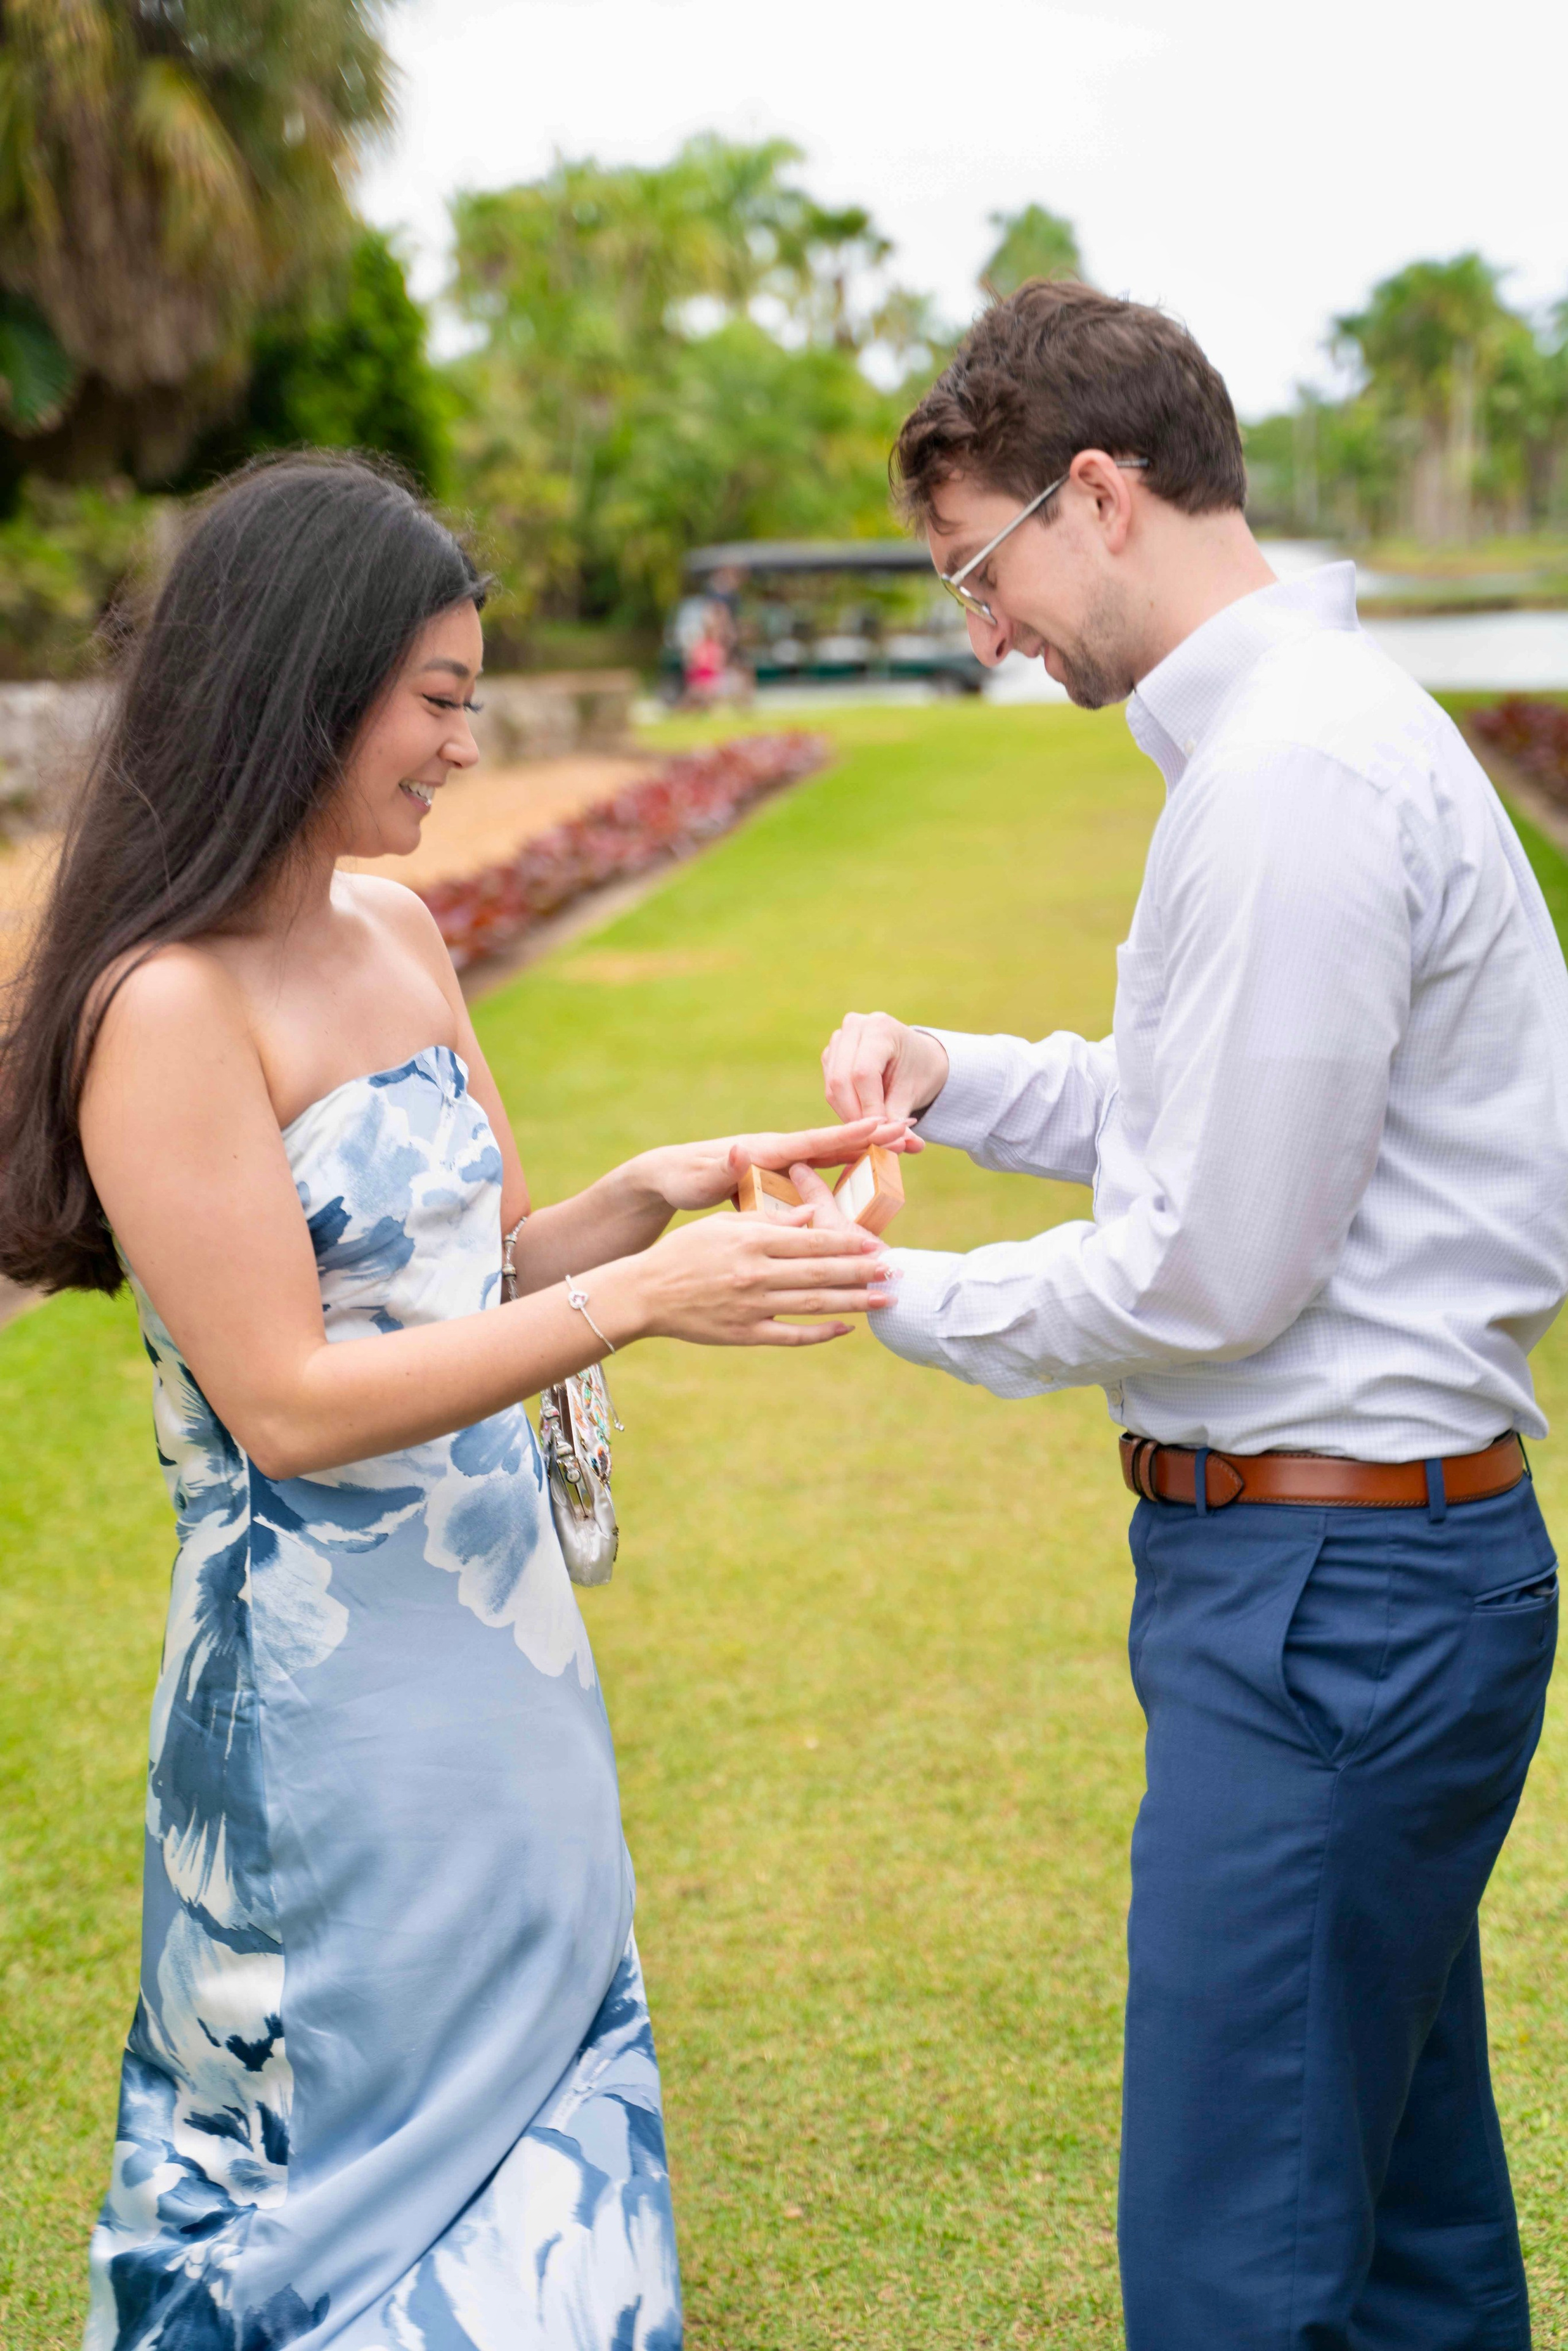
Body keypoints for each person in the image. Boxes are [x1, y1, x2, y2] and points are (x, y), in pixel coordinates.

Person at [0, 454, 905, 2351]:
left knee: (544, 2104)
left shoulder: (399, 938)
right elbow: (294, 1406)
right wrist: (644, 1301)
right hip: (328, 1712)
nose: (466, 746)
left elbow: (483, 1270)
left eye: (472, 698)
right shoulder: (163, 1007)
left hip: (507, 1663)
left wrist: (657, 1189)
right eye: (438, 698)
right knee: (343, 2171)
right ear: (309, 686)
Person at [802, 281, 1568, 2350]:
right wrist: (960, 1073)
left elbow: (1209, 1264)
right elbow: (1205, 1114)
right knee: (1404, 2236)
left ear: (1101, 495)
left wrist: (883, 1288)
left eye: (979, 569)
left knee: (1237, 2261)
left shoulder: (1293, 779)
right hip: (1367, 1569)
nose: (986, 631)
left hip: (1330, 1591)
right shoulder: (1292, 741)